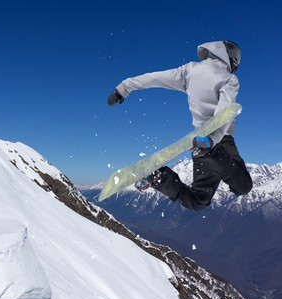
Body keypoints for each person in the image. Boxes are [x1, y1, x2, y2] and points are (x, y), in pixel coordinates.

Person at [107, 40, 252, 211]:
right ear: (232, 60)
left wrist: (124, 87)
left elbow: (156, 78)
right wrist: (212, 140)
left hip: (198, 144)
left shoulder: (189, 70)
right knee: (243, 186)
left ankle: (158, 177)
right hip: (218, 142)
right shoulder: (230, 79)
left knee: (198, 201)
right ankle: (213, 154)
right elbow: (224, 113)